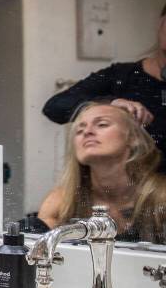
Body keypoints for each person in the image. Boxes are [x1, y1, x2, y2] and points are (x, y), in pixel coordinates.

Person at [42, 2, 166, 169]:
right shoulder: (121, 75)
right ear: (161, 23)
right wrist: (109, 104)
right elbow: (55, 107)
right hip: (124, 180)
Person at [37, 103, 166, 243]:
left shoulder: (161, 197)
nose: (87, 132)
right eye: (79, 130)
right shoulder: (62, 202)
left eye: (102, 124)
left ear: (133, 138)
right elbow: (39, 249)